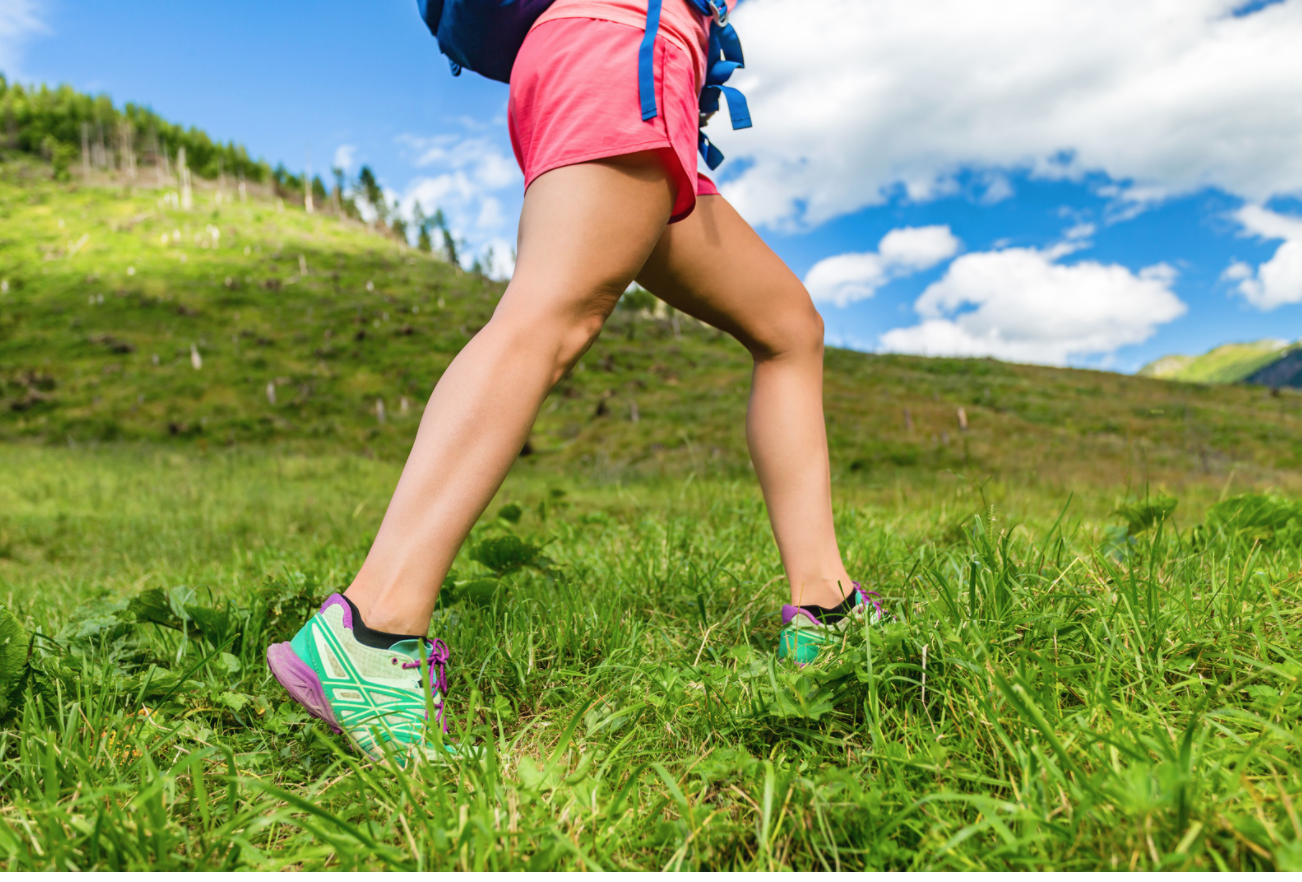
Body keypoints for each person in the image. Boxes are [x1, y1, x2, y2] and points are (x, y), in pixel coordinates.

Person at [266, 0, 884, 763]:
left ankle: (826, 609)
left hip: (625, 68)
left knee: (788, 328)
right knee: (551, 313)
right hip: (619, 50)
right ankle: (371, 628)